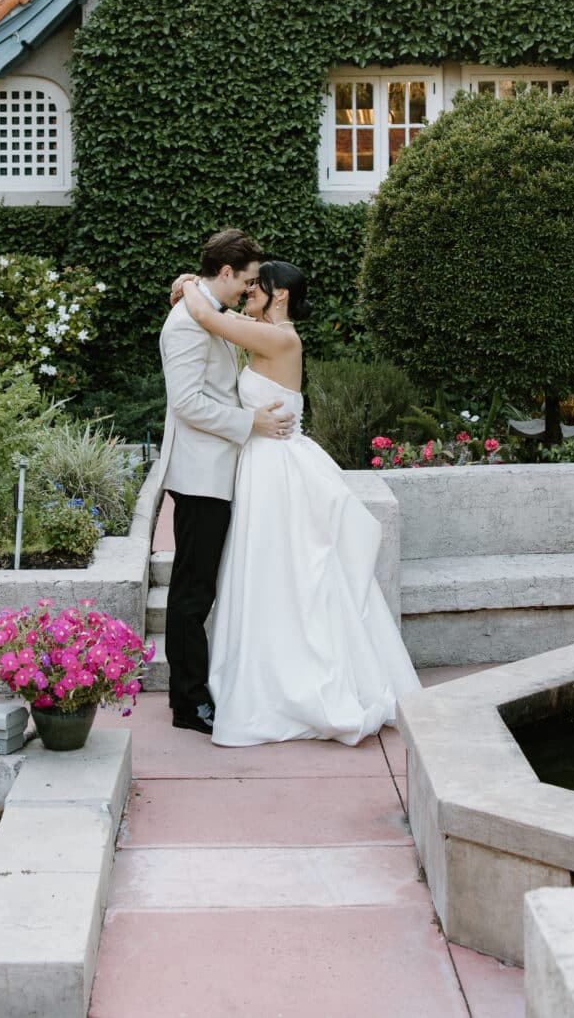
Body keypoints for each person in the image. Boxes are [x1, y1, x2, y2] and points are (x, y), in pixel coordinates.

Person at [168, 259, 420, 747]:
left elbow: (211, 319)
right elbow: (221, 318)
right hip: (259, 464)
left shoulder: (283, 339)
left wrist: (188, 286)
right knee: (265, 574)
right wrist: (192, 285)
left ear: (277, 294)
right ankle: (256, 674)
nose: (246, 294)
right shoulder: (262, 329)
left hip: (277, 469)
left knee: (287, 573)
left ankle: (291, 681)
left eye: (255, 287)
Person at [134, 229, 297, 735]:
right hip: (201, 475)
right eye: (246, 281)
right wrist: (251, 424)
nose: (249, 291)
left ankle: (197, 691)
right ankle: (188, 703)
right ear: (224, 273)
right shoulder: (186, 321)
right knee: (192, 591)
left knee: (200, 587)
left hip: (221, 471)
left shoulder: (208, 309)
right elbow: (187, 404)